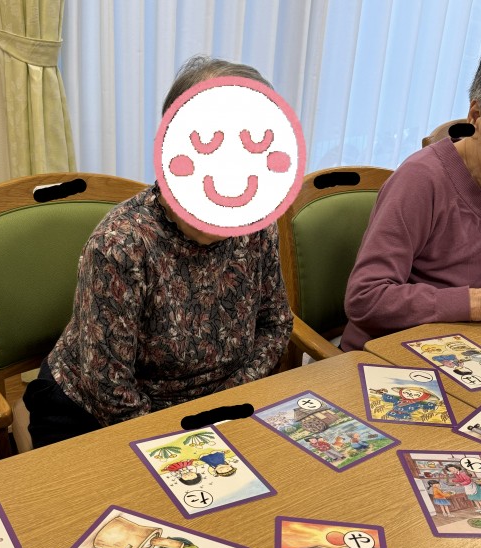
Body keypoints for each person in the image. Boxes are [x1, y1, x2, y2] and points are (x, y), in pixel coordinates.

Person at [23, 55, 293, 447]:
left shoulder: (259, 227)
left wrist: (223, 407)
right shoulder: (120, 245)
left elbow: (275, 325)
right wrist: (180, 440)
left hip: (218, 406)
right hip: (99, 411)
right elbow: (109, 386)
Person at [342, 31, 481, 351]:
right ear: (477, 117)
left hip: (467, 349)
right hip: (387, 353)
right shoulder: (421, 180)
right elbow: (366, 298)